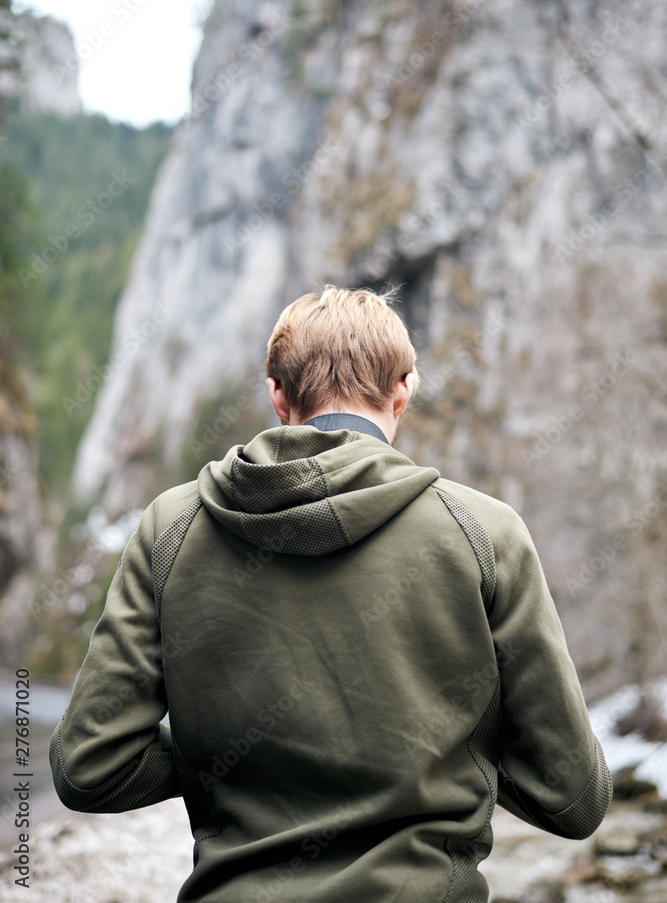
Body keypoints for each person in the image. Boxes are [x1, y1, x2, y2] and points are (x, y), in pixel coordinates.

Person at [50, 284, 612, 903]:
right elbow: (575, 798)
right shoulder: (484, 534)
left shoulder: (171, 528)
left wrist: (220, 752)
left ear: (278, 394)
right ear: (403, 387)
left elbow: (89, 767)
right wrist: (447, 749)